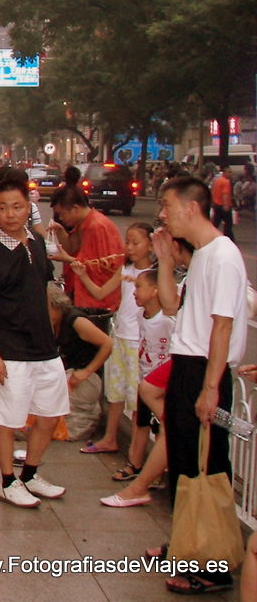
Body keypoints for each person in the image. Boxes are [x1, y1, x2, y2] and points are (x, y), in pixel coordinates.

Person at [150, 176, 247, 595]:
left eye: (167, 206)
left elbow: (222, 326)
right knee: (184, 459)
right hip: (187, 366)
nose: (162, 214)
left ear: (191, 208)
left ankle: (213, 564)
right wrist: (164, 262)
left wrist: (210, 389)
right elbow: (172, 306)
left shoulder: (223, 256)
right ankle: (187, 543)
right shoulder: (203, 255)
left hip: (205, 370)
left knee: (206, 464)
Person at [0, 177, 69, 508]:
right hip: (9, 349)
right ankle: (7, 481)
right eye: (2, 208)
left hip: (44, 347)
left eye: (17, 207)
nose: (10, 214)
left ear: (29, 208)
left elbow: (43, 290)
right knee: (7, 420)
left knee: (50, 414)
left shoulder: (36, 243)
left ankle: (30, 473)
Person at [69, 222, 154, 458]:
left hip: (139, 342)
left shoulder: (154, 275)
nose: (130, 247)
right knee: (115, 393)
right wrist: (83, 276)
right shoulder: (126, 269)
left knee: (137, 399)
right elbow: (100, 292)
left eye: (136, 242)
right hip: (120, 337)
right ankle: (110, 438)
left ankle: (136, 453)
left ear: (151, 245)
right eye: (127, 242)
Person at [101, 267, 176, 506]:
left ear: (155, 291)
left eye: (139, 287)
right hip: (145, 377)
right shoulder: (142, 316)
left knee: (162, 428)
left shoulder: (167, 320)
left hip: (160, 385)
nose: (134, 292)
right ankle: (135, 463)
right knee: (140, 421)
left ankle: (158, 472)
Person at [48, 283, 113, 440]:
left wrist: (86, 372)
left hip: (83, 376)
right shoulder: (53, 324)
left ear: (55, 306)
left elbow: (108, 344)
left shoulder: (76, 321)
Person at [49, 186, 125, 317]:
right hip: (84, 292)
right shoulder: (83, 223)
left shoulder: (97, 226)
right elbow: (72, 248)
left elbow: (102, 265)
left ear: (75, 208)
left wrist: (67, 259)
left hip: (97, 298)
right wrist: (60, 231)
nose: (61, 218)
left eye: (62, 214)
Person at [209, 163, 235, 241]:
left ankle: (209, 235)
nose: (231, 174)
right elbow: (225, 194)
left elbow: (213, 191)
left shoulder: (217, 181)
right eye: (229, 172)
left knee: (216, 222)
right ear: (224, 172)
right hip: (223, 205)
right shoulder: (226, 182)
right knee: (228, 223)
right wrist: (226, 205)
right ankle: (229, 237)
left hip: (217, 205)